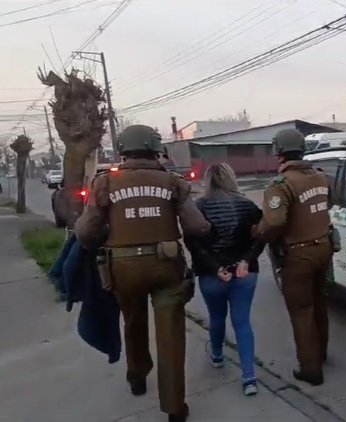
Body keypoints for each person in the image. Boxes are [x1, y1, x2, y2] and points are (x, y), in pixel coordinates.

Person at [74, 124, 211, 422]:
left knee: (133, 322)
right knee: (171, 335)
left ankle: (136, 376)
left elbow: (86, 233)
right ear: (155, 148)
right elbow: (197, 227)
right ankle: (175, 407)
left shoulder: (105, 183)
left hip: (122, 269)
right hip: (167, 265)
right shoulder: (172, 182)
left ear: (123, 150)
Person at [252, 128, 333, 386]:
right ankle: (320, 353)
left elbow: (274, 222)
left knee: (301, 310)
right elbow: (325, 206)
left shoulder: (281, 185)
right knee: (319, 304)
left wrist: (257, 232)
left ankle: (311, 370)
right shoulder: (321, 177)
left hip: (298, 256)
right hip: (324, 248)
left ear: (279, 152)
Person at [184, 163, 265, 397]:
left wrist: (216, 267)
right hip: (244, 272)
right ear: (231, 178)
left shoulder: (199, 207)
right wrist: (246, 261)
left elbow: (193, 244)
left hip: (213, 275)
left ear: (207, 181)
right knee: (242, 321)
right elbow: (260, 237)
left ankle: (218, 355)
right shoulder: (247, 205)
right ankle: (249, 377)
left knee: (217, 317)